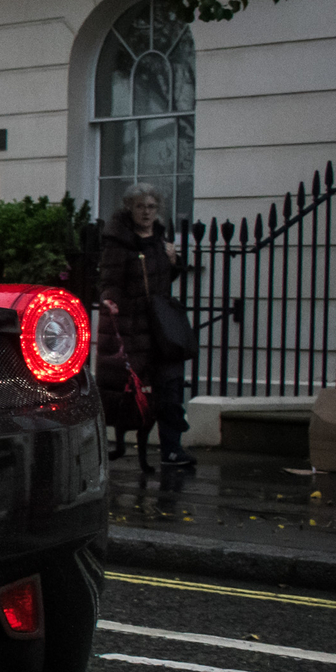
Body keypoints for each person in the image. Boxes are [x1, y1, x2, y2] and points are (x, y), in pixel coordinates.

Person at [99, 180, 193, 467]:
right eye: (140, 206)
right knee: (132, 392)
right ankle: (116, 446)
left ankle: (172, 448)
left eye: (152, 207)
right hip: (132, 328)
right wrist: (112, 302)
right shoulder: (119, 241)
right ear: (129, 208)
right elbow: (109, 282)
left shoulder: (161, 240)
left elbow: (163, 280)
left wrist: (174, 262)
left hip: (161, 328)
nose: (147, 212)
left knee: (171, 386)